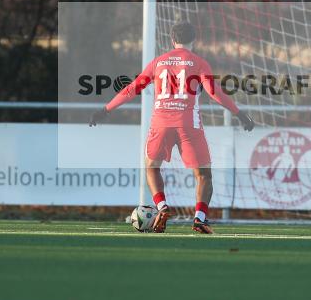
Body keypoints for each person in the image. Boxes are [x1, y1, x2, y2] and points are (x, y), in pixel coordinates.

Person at [89, 22, 254, 234]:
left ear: (172, 39)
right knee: (204, 175)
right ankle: (199, 218)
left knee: (151, 167)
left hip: (161, 123)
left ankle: (162, 206)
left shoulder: (158, 62)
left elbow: (132, 89)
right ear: (194, 40)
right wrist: (239, 114)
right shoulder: (199, 62)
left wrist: (105, 109)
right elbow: (214, 93)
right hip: (189, 124)